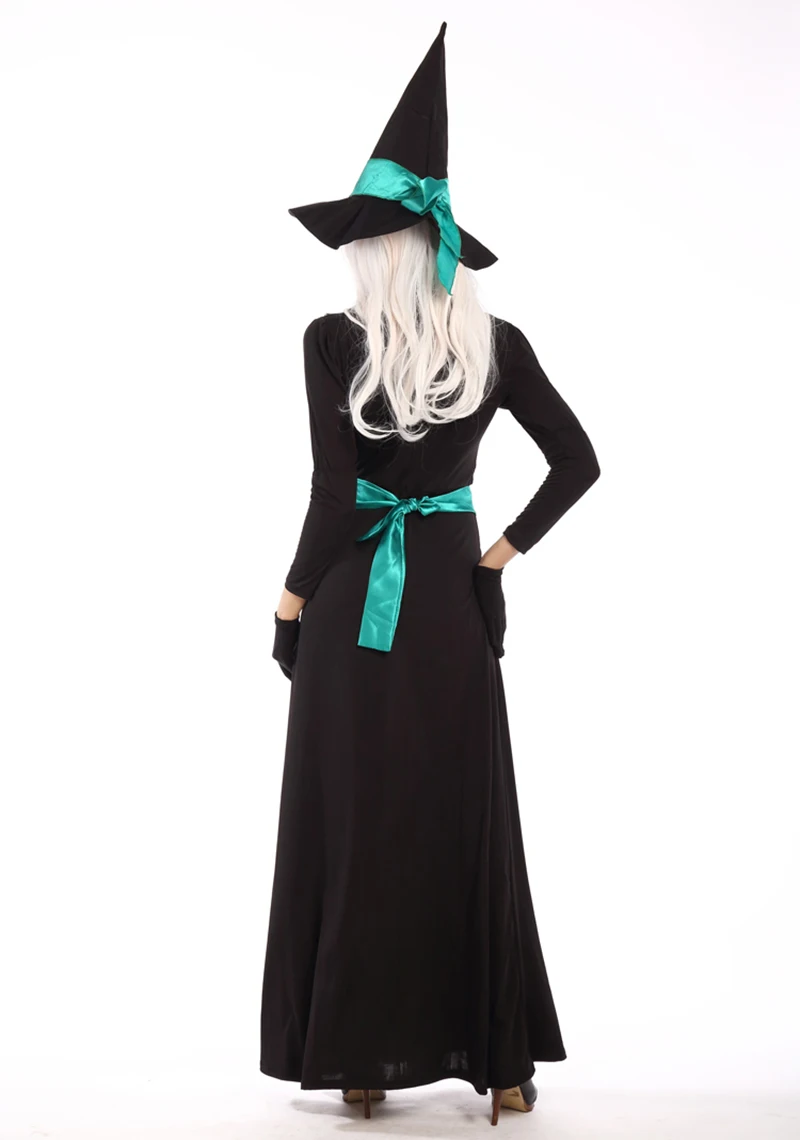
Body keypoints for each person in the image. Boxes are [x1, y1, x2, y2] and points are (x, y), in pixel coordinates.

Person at [259, 23, 600, 1127]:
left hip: (355, 615)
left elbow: (335, 497)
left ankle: (361, 1064)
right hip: (451, 605)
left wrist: (289, 601)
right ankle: (501, 1070)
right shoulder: (495, 343)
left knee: (358, 820)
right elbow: (578, 462)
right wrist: (493, 559)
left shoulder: (330, 341)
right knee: (466, 819)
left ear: (376, 249)